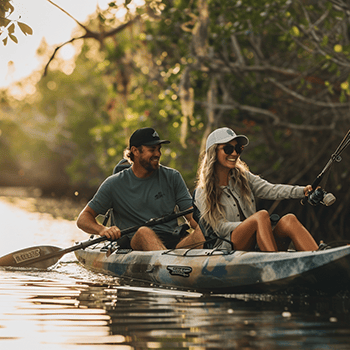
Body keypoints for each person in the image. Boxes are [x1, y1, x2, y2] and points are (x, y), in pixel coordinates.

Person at [77, 127, 204, 251]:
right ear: (135, 151)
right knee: (144, 232)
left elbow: (192, 217)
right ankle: (167, 264)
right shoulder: (113, 184)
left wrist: (206, 228)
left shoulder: (173, 177)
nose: (158, 154)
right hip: (136, 243)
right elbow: (83, 218)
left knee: (201, 231)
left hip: (173, 242)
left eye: (159, 149)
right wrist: (102, 230)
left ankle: (177, 263)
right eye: (152, 149)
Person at [193, 127, 319, 252]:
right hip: (230, 248)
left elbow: (272, 190)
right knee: (261, 216)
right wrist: (252, 224)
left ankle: (319, 258)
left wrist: (303, 191)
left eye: (237, 149)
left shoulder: (244, 177)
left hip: (258, 242)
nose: (235, 153)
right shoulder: (202, 192)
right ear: (213, 152)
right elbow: (219, 227)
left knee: (289, 219)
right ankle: (273, 262)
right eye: (228, 149)